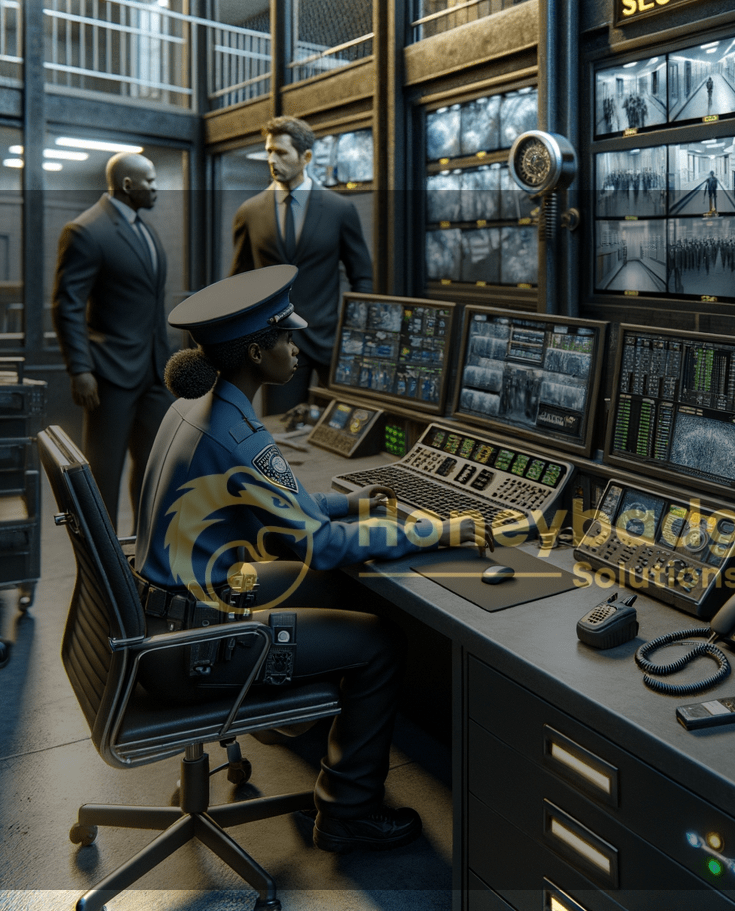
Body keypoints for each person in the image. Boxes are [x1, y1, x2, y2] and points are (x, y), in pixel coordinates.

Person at [134, 265, 492, 854]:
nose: (298, 351)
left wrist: (347, 502)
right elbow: (320, 544)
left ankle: (284, 716)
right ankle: (347, 813)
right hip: (191, 647)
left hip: (170, 613)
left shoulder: (198, 407)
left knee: (338, 591)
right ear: (256, 351)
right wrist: (440, 530)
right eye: (287, 339)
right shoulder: (238, 435)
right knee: (379, 643)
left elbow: (280, 503)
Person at [52, 151, 173, 525]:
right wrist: (80, 369)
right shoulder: (86, 231)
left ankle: (147, 552)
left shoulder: (145, 228)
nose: (156, 189)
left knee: (156, 469)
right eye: (150, 182)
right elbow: (66, 306)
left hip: (154, 373)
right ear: (127, 185)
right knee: (103, 475)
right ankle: (103, 569)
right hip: (109, 374)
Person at [230, 116, 374, 414]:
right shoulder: (250, 212)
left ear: (305, 157)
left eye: (281, 152)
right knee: (280, 434)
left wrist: (353, 334)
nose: (272, 159)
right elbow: (239, 282)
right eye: (269, 151)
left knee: (343, 428)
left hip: (331, 344)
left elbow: (362, 276)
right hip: (275, 344)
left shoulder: (340, 209)